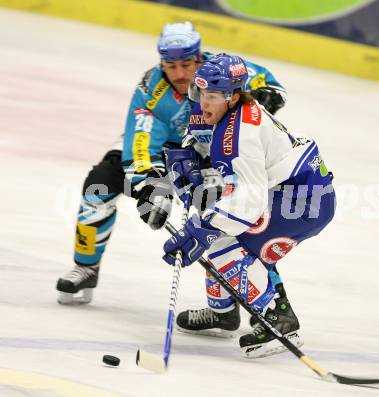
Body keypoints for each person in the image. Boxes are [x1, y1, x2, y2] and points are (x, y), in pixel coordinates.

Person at [55, 23, 287, 305]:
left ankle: (235, 303)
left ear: (199, 57)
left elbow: (270, 84)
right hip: (165, 153)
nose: (179, 74)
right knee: (98, 186)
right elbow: (141, 143)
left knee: (226, 219)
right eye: (171, 65)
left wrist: (267, 97)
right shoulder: (150, 88)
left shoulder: (221, 69)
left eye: (186, 64)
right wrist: (149, 185)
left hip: (213, 155)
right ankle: (86, 265)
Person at [163, 53, 336, 358]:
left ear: (232, 97)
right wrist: (190, 159)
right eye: (201, 92)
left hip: (303, 200)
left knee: (220, 241)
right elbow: (200, 140)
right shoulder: (218, 108)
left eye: (213, 96)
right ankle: (223, 312)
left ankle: (279, 322)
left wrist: (201, 229)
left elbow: (249, 202)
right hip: (289, 191)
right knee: (220, 228)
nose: (204, 103)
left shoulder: (239, 134)